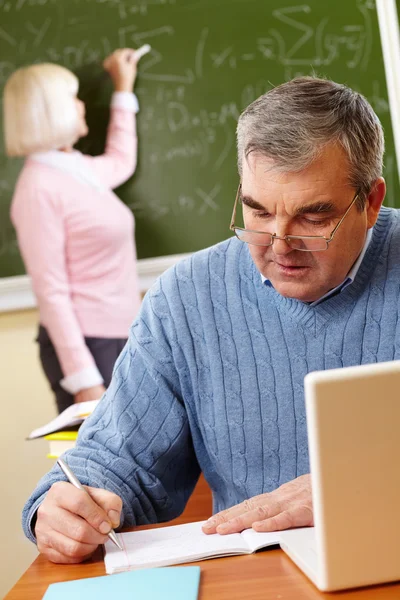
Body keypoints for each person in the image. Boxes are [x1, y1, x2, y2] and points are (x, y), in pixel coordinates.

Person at [23, 76, 391, 565]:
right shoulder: (185, 298)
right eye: (257, 212)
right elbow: (116, 459)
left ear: (370, 202)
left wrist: (355, 487)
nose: (279, 245)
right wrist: (62, 508)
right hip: (254, 583)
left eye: (313, 217)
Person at [4, 49, 142, 414]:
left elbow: (121, 160)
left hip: (121, 334)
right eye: (73, 98)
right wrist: (84, 380)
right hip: (88, 346)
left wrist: (123, 89)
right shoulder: (38, 188)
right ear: (49, 110)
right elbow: (51, 292)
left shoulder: (74, 169)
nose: (81, 106)